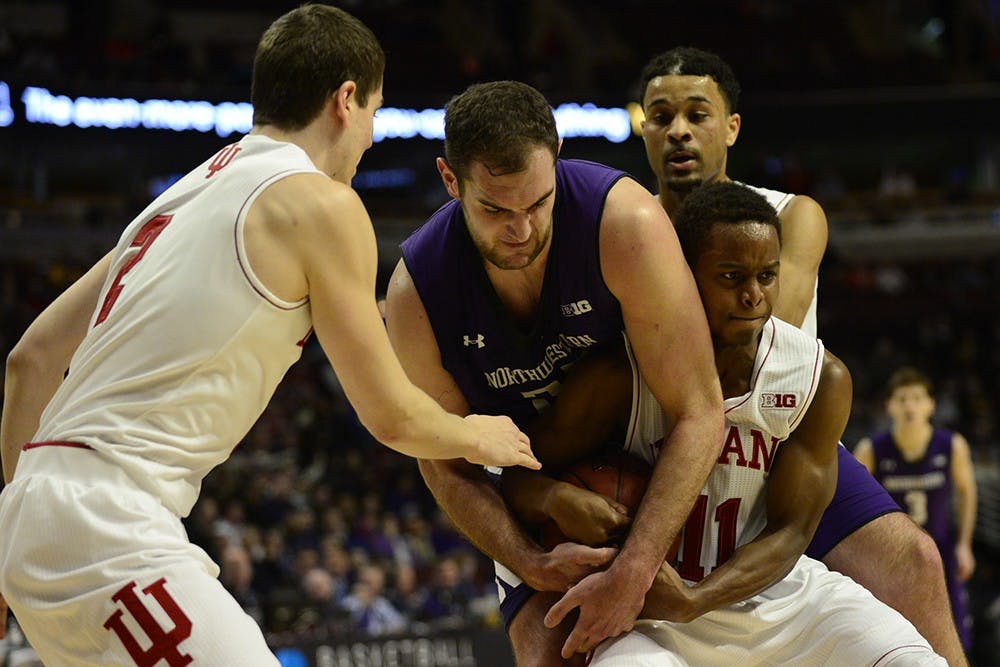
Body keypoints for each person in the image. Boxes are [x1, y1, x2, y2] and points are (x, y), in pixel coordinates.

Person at [0, 6, 540, 665]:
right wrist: (479, 433)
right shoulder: (321, 203)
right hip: (110, 526)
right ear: (346, 100)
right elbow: (391, 416)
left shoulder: (182, 193)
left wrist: (18, 534)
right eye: (374, 111)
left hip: (31, 513)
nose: (370, 136)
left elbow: (29, 360)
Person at [504, 181, 945, 665]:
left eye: (767, 275)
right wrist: (555, 497)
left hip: (775, 599)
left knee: (911, 659)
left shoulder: (820, 378)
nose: (754, 295)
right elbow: (519, 477)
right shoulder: (623, 372)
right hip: (645, 607)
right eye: (732, 276)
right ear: (687, 276)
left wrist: (698, 600)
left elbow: (791, 534)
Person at [636, 46, 967, 666]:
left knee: (913, 559)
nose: (679, 129)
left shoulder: (791, 214)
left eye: (697, 113)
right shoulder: (627, 227)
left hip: (778, 432)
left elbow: (761, 337)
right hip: (663, 438)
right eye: (661, 114)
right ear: (645, 128)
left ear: (731, 126)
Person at [384, 80, 725, 661]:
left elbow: (700, 409)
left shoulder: (625, 222)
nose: (520, 230)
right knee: (547, 652)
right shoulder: (416, 292)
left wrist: (634, 569)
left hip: (663, 448)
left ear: (558, 159)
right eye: (493, 209)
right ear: (450, 180)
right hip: (535, 475)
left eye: (538, 203)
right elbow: (441, 463)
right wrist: (532, 563)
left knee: (908, 559)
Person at [855, 367, 978, 654]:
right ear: (889, 406)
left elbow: (967, 491)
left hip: (942, 551)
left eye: (917, 397)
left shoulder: (952, 445)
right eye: (902, 399)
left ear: (931, 404)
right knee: (893, 639)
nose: (909, 405)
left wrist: (965, 545)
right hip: (891, 557)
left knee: (955, 637)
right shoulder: (871, 449)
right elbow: (853, 503)